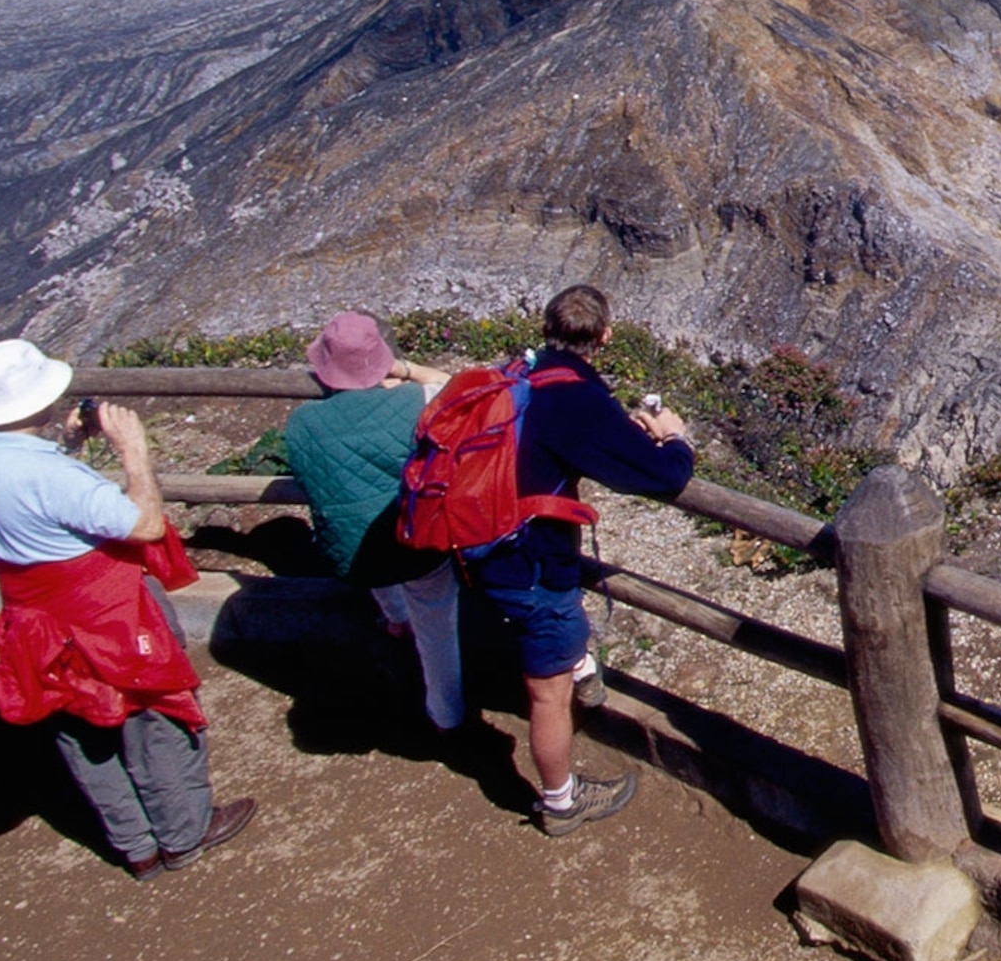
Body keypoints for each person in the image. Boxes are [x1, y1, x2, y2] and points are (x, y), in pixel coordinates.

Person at [0, 338, 256, 880]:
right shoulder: (48, 477)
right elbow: (144, 524)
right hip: (106, 613)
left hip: (32, 617)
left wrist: (63, 446)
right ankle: (183, 832)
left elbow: (31, 502)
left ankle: (135, 845)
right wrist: (134, 451)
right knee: (151, 716)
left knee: (81, 725)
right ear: (37, 403)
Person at [469, 284, 693, 835]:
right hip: (531, 566)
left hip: (479, 548)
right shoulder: (575, 399)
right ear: (605, 335)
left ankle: (579, 664)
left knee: (555, 650)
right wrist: (677, 437)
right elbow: (661, 475)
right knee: (547, 696)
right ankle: (561, 804)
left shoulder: (519, 372)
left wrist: (619, 428)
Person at [281, 311, 465, 733]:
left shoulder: (302, 424)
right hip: (419, 547)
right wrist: (401, 368)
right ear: (382, 360)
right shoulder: (413, 402)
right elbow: (457, 385)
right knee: (436, 627)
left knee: (363, 529)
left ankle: (396, 622)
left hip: (352, 555)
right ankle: (448, 717)